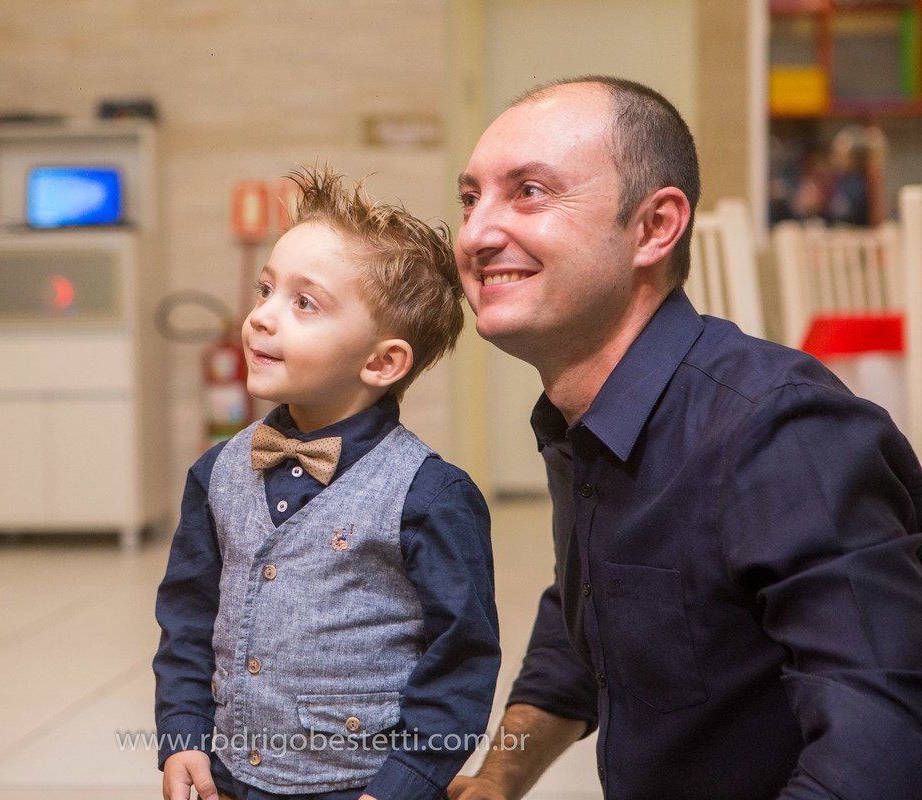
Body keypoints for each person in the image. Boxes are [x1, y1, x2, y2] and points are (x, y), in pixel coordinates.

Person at [447, 76, 922, 800]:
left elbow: (885, 742)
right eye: (470, 198)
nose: (476, 233)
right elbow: (590, 612)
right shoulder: (584, 421)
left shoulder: (779, 431)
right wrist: (500, 775)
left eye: (529, 192)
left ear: (654, 227)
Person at [154, 165, 500, 800]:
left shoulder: (430, 496)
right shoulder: (218, 472)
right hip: (228, 780)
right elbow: (187, 617)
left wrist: (402, 787)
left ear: (381, 361)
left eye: (303, 302)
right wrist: (183, 735)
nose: (261, 317)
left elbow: (460, 665)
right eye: (265, 290)